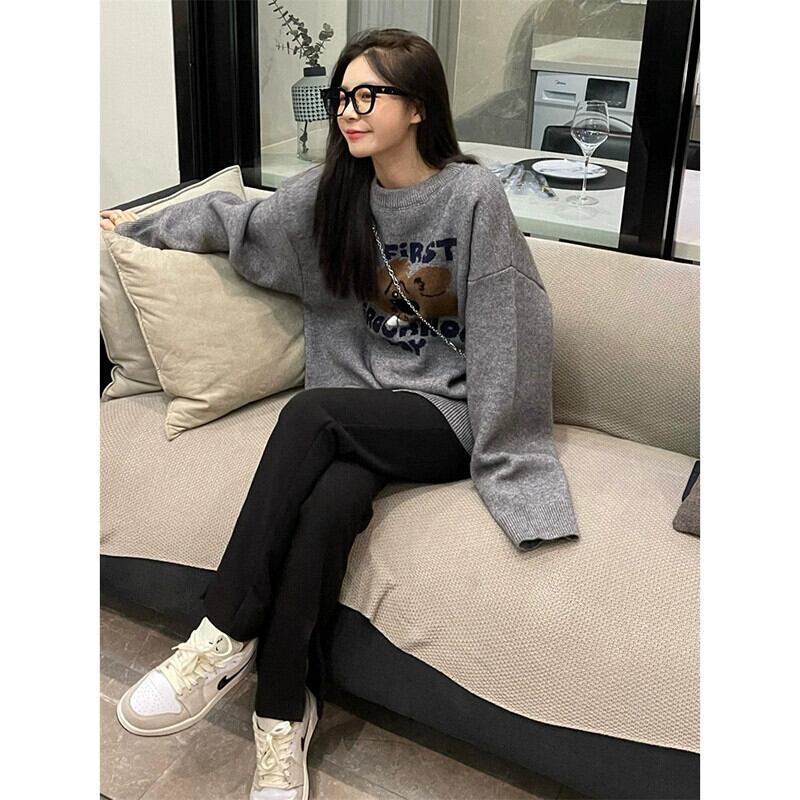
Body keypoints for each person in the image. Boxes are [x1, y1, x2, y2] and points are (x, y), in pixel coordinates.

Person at [100, 26, 579, 800]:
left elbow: (510, 318)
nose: (349, 112)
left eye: (368, 95)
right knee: (327, 506)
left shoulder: (471, 196)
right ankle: (282, 714)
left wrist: (509, 446)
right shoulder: (334, 194)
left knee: (312, 415)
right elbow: (237, 223)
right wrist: (137, 226)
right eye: (342, 98)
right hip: (363, 412)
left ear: (417, 107)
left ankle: (223, 631)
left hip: (444, 417)